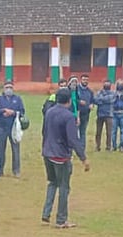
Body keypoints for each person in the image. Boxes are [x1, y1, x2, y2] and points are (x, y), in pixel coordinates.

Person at [42, 88, 90, 229]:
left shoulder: (49, 112)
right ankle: (61, 220)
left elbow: (44, 132)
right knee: (64, 187)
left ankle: (46, 213)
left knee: (52, 183)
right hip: (61, 156)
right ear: (69, 101)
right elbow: (73, 139)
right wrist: (83, 158)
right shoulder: (69, 116)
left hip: (47, 153)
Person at [0, 81, 25, 177]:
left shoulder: (17, 99)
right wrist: (3, 111)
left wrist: (13, 112)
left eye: (10, 87)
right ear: (3, 89)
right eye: (7, 87)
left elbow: (22, 112)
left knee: (16, 150)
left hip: (14, 128)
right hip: (2, 127)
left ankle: (16, 170)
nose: (9, 89)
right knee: (1, 150)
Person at [93, 79, 115, 152]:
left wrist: (101, 99)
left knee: (109, 132)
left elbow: (110, 100)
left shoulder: (112, 93)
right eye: (105, 84)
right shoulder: (99, 92)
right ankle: (97, 146)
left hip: (109, 115)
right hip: (100, 114)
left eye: (108, 84)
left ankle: (108, 147)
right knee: (98, 132)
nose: (107, 85)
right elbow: (95, 100)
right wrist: (104, 100)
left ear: (110, 85)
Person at [77, 74, 95, 145]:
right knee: (74, 131)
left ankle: (82, 148)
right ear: (81, 80)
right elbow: (73, 99)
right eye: (84, 80)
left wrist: (92, 105)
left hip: (85, 114)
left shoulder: (90, 91)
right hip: (76, 113)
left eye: (86, 80)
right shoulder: (76, 89)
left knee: (83, 131)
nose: (85, 81)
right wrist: (79, 101)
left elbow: (92, 101)